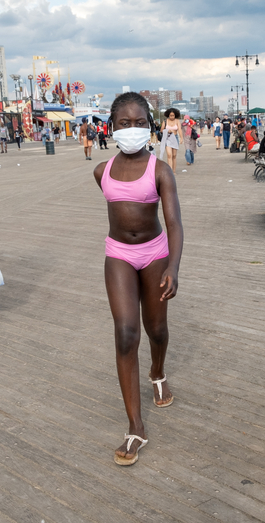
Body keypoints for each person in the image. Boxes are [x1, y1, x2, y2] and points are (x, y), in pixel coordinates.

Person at [93, 92, 184, 466]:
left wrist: (173, 268)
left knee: (157, 329)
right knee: (126, 332)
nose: (132, 130)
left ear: (150, 126)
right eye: (124, 124)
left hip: (155, 254)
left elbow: (175, 223)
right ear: (112, 127)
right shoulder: (101, 171)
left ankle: (158, 370)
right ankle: (135, 424)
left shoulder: (160, 170)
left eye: (139, 123)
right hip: (118, 254)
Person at [159, 108, 183, 173]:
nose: (172, 117)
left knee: (174, 156)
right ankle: (170, 171)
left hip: (175, 138)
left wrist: (181, 138)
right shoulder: (165, 121)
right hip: (168, 138)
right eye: (170, 115)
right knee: (169, 155)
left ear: (175, 115)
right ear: (168, 115)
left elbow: (180, 130)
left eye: (173, 115)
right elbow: (161, 130)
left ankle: (174, 171)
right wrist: (167, 130)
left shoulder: (177, 121)